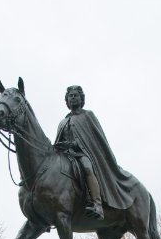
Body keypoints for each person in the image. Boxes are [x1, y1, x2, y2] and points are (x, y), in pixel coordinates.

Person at [54, 85, 137, 219]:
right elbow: (58, 142)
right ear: (67, 101)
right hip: (66, 156)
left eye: (76, 95)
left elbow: (94, 140)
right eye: (70, 96)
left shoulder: (88, 116)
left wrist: (74, 144)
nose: (73, 97)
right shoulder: (62, 122)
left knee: (87, 168)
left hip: (83, 154)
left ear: (81, 99)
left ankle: (97, 205)